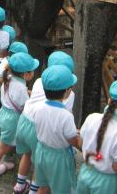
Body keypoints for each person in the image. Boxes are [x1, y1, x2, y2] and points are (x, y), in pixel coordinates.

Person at [14, 51, 76, 194]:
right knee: (41, 165)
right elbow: (62, 117)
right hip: (38, 128)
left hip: (24, 120)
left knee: (27, 155)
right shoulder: (70, 95)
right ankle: (34, 190)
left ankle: (19, 185)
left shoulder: (38, 81)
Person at [0, 52, 39, 179]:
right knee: (3, 144)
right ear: (26, 74)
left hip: (4, 113)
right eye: (33, 71)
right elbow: (25, 105)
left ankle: (0, 162)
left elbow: (15, 94)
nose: (34, 73)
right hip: (13, 118)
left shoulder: (8, 78)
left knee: (5, 142)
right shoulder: (20, 87)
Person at [33, 65, 79, 194]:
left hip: (41, 151)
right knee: (63, 190)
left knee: (43, 187)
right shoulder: (66, 115)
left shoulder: (38, 108)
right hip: (60, 158)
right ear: (67, 91)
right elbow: (72, 140)